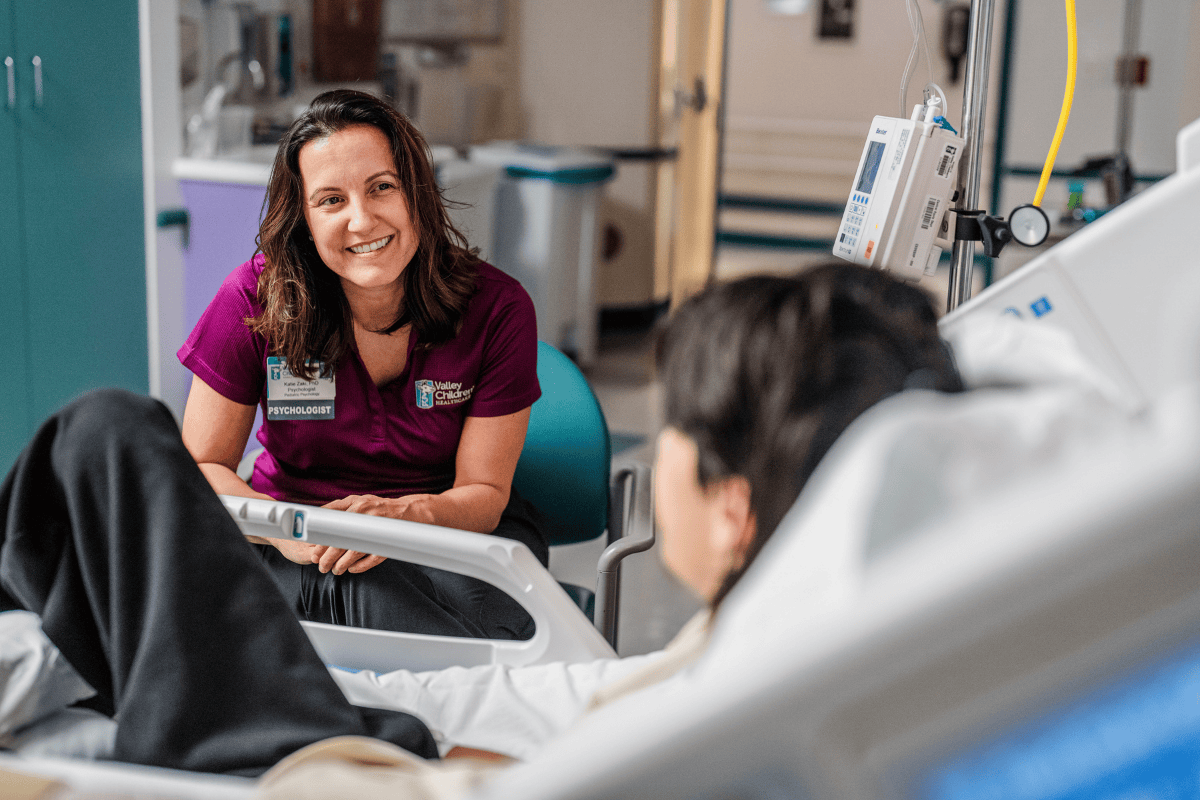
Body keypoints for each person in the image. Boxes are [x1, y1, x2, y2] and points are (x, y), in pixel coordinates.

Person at [0, 263, 961, 787]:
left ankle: (82, 663)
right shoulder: (764, 668)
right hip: (330, 692)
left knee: (108, 435)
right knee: (110, 455)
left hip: (301, 740)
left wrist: (390, 730)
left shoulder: (725, 722)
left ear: (734, 506)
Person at [177, 89, 545, 640]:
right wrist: (288, 529)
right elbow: (201, 469)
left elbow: (484, 495)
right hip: (291, 533)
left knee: (484, 636)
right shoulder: (254, 300)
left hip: (444, 533)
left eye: (382, 188)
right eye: (330, 200)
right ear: (302, 217)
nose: (361, 219)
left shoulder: (497, 308)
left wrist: (401, 519)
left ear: (416, 192)